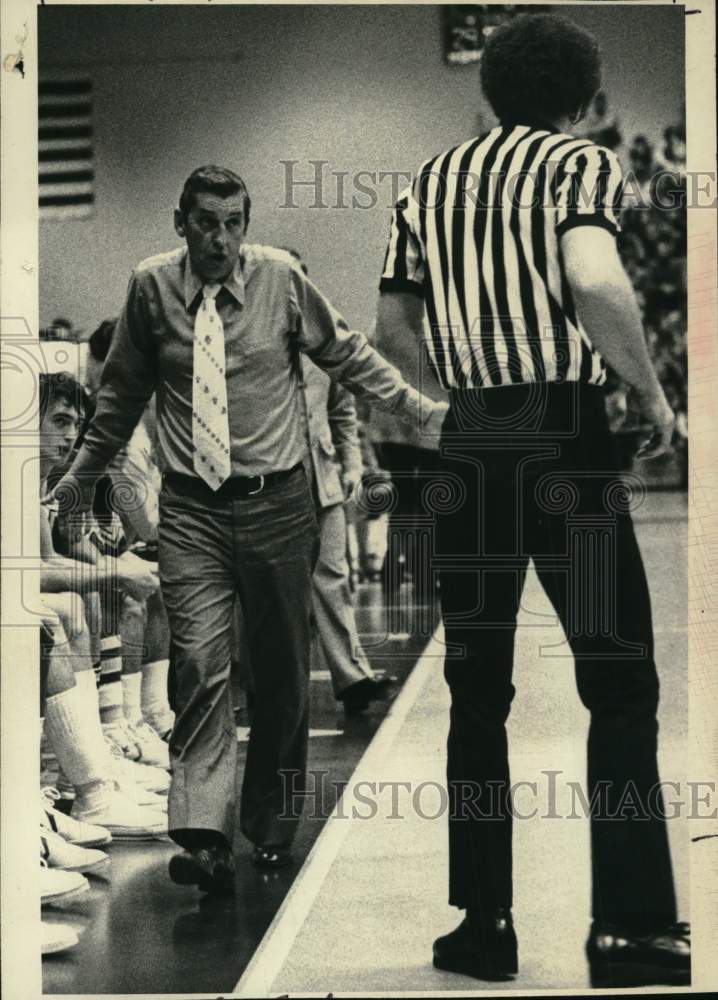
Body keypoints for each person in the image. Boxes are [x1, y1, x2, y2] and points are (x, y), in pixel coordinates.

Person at [376, 13, 688, 988]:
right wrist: (650, 397)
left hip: (469, 443)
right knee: (619, 682)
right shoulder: (578, 164)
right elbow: (593, 277)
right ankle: (629, 929)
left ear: (488, 93)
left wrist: (459, 417)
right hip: (564, 436)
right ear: (584, 97)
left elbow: (393, 327)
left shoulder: (427, 182)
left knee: (476, 695)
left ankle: (483, 926)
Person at [48, 165, 446, 892]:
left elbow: (349, 354)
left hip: (279, 501)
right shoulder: (149, 288)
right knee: (200, 663)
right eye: (205, 222)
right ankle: (203, 836)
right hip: (193, 509)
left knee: (282, 672)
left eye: (233, 223)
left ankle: (269, 826)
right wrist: (74, 484)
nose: (220, 238)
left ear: (247, 224)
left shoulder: (283, 281)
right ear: (180, 222)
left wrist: (422, 412)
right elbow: (120, 396)